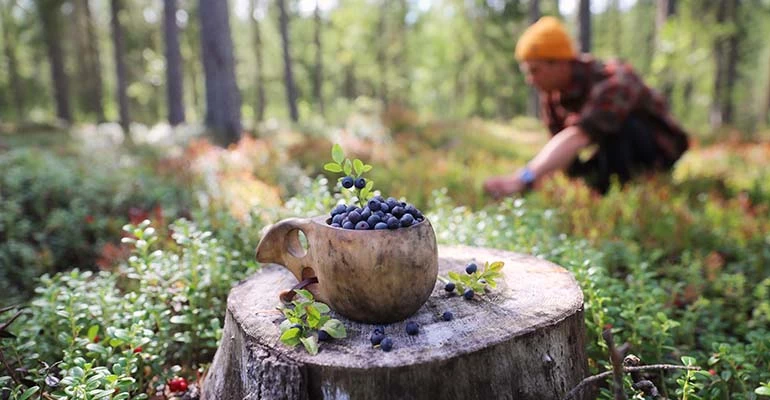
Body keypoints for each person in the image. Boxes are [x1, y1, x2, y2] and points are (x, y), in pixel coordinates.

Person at [483, 16, 689, 198]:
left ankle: (619, 195)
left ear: (560, 63)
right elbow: (562, 149)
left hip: (657, 151)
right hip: (607, 154)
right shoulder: (553, 96)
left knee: (618, 128)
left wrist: (522, 178)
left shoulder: (613, 81)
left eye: (535, 70)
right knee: (571, 163)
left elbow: (580, 136)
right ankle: (599, 191)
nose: (530, 80)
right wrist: (533, 186)